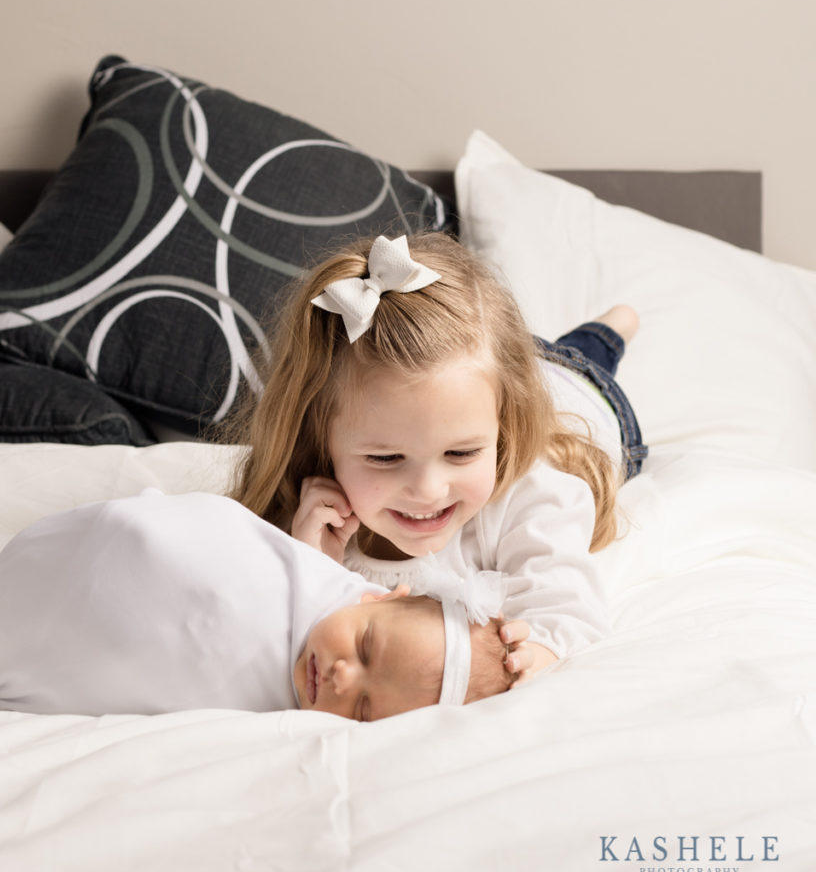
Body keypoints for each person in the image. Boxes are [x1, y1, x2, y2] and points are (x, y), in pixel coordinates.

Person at [226, 232, 647, 684]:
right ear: (320, 439)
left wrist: (537, 654)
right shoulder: (309, 517)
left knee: (585, 354)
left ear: (505, 427)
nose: (428, 490)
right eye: (386, 458)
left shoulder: (533, 495)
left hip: (581, 396)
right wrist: (312, 569)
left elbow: (567, 608)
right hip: (478, 380)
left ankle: (613, 326)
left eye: (461, 453)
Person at [0, 488, 520, 721]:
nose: (342, 677)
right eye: (366, 645)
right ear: (383, 596)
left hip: (31, 647)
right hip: (65, 560)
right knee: (144, 543)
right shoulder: (320, 579)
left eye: (363, 710)